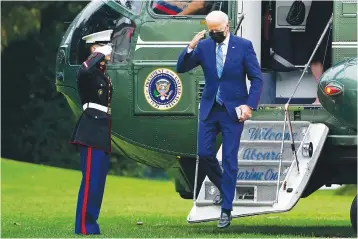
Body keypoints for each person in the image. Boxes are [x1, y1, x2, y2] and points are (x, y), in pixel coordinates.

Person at [176, 11, 263, 228]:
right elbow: (182, 67)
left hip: (234, 110)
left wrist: (249, 105)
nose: (213, 33)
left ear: (227, 26)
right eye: (210, 30)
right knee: (204, 154)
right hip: (210, 108)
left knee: (230, 159)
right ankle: (226, 189)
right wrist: (190, 47)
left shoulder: (243, 46)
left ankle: (226, 209)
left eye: (217, 30)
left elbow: (257, 79)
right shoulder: (204, 47)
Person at [69, 43, 113, 235]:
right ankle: (84, 227)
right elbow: (83, 70)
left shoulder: (100, 74)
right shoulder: (87, 72)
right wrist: (99, 53)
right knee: (90, 182)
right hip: (91, 130)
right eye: (101, 47)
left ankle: (91, 224)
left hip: (102, 130)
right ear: (94, 49)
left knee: (98, 182)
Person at [305, 0, 333, 104]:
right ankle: (320, 94)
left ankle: (326, 95)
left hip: (334, 9)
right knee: (315, 54)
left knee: (330, 53)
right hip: (318, 11)